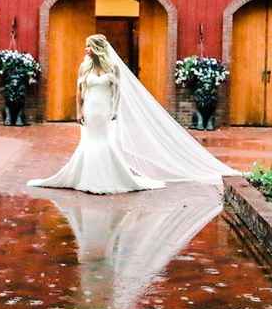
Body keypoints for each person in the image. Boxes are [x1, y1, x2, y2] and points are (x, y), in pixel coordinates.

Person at [27, 34, 237, 194]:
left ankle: (106, 178)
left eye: (89, 45)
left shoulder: (113, 68)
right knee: (89, 141)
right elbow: (79, 92)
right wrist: (79, 110)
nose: (86, 48)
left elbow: (118, 92)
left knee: (104, 141)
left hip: (105, 109)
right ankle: (85, 178)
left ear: (98, 48)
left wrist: (114, 111)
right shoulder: (84, 66)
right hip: (90, 108)